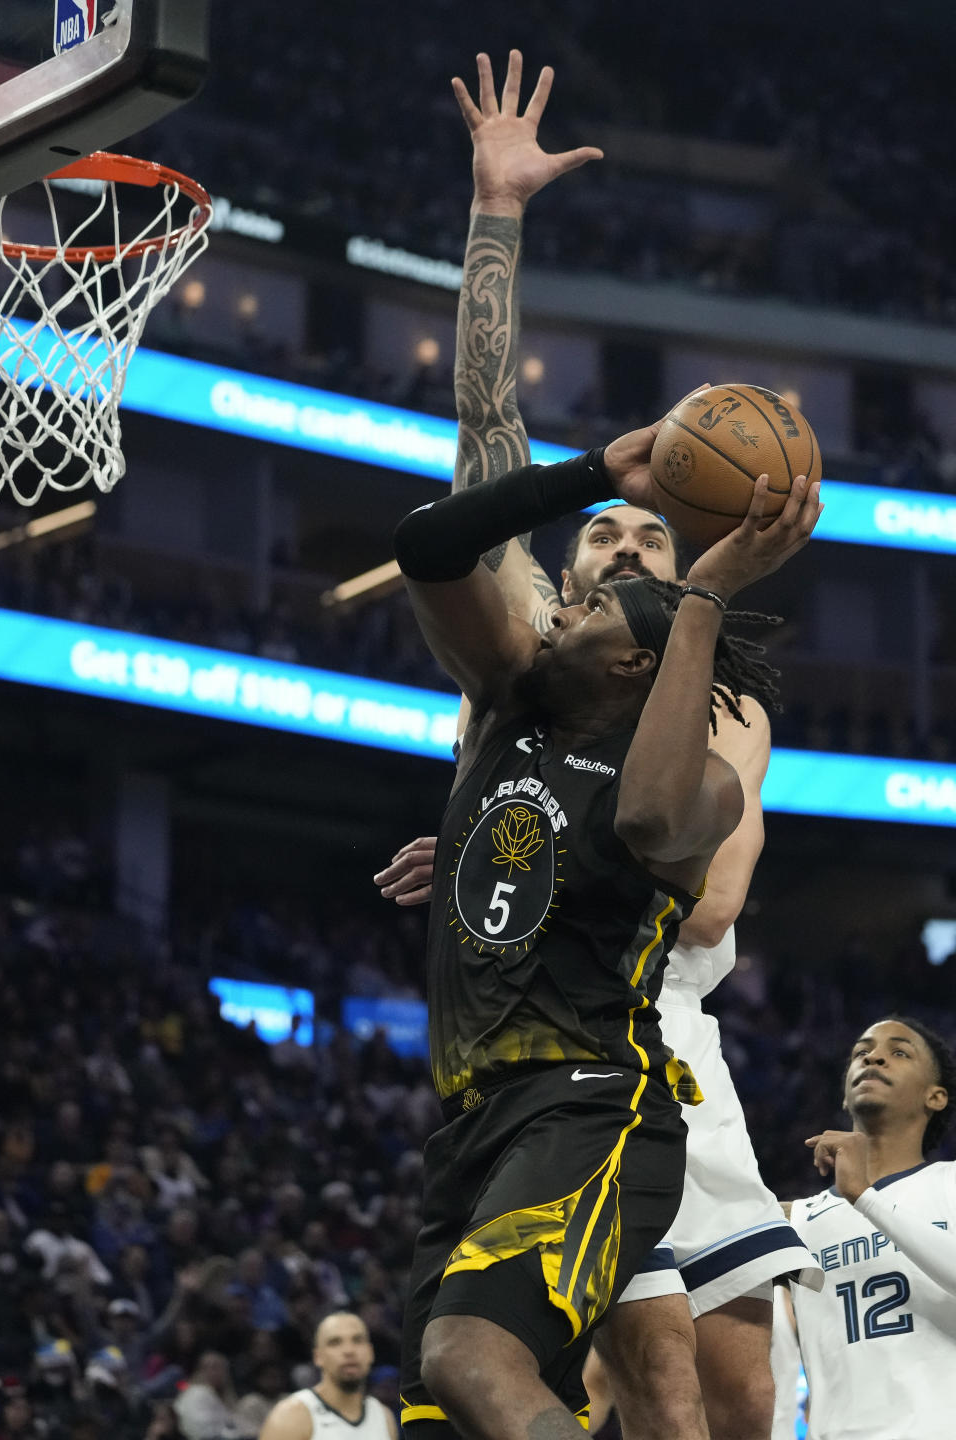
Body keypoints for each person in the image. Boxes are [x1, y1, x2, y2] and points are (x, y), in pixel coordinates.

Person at [375, 50, 821, 1440]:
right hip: (490, 1074)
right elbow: (480, 438)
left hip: (635, 1032)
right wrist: (495, 214)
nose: (622, 538)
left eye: (648, 541)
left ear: (652, 628)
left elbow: (696, 880)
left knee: (697, 1378)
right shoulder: (520, 658)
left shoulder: (707, 692)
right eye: (599, 536)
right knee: (510, 1378)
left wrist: (699, 602)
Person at [784, 1015, 956, 1439]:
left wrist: (864, 1197)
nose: (874, 1057)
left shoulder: (949, 1184)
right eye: (861, 1052)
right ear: (844, 1095)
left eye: (899, 1052)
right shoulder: (793, 1220)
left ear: (936, 1097)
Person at [259, 1312, 397, 1440]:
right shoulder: (290, 1416)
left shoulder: (384, 1417)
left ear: (370, 1352)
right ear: (318, 1356)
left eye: (357, 1340)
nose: (349, 1351)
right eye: (335, 1342)